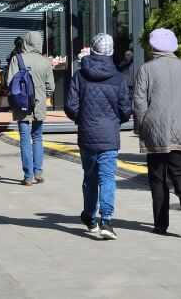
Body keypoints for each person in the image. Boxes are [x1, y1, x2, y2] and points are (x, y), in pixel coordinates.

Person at [133, 28, 181, 236]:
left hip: (155, 131)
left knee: (157, 178)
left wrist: (141, 127)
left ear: (153, 46)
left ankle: (161, 224)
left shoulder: (146, 69)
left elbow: (139, 102)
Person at [65, 33, 131, 240]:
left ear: (92, 50)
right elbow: (126, 109)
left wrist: (82, 119)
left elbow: (70, 106)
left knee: (90, 177)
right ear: (111, 52)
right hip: (109, 135)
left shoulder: (79, 76)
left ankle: (90, 217)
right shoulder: (118, 78)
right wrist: (115, 121)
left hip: (87, 134)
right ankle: (107, 221)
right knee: (107, 177)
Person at [7, 30, 54, 186]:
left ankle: (28, 176)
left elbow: (9, 82)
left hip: (22, 102)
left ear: (25, 42)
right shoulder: (45, 61)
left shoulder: (17, 59)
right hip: (39, 102)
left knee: (25, 137)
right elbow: (51, 87)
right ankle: (38, 171)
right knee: (38, 136)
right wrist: (43, 95)